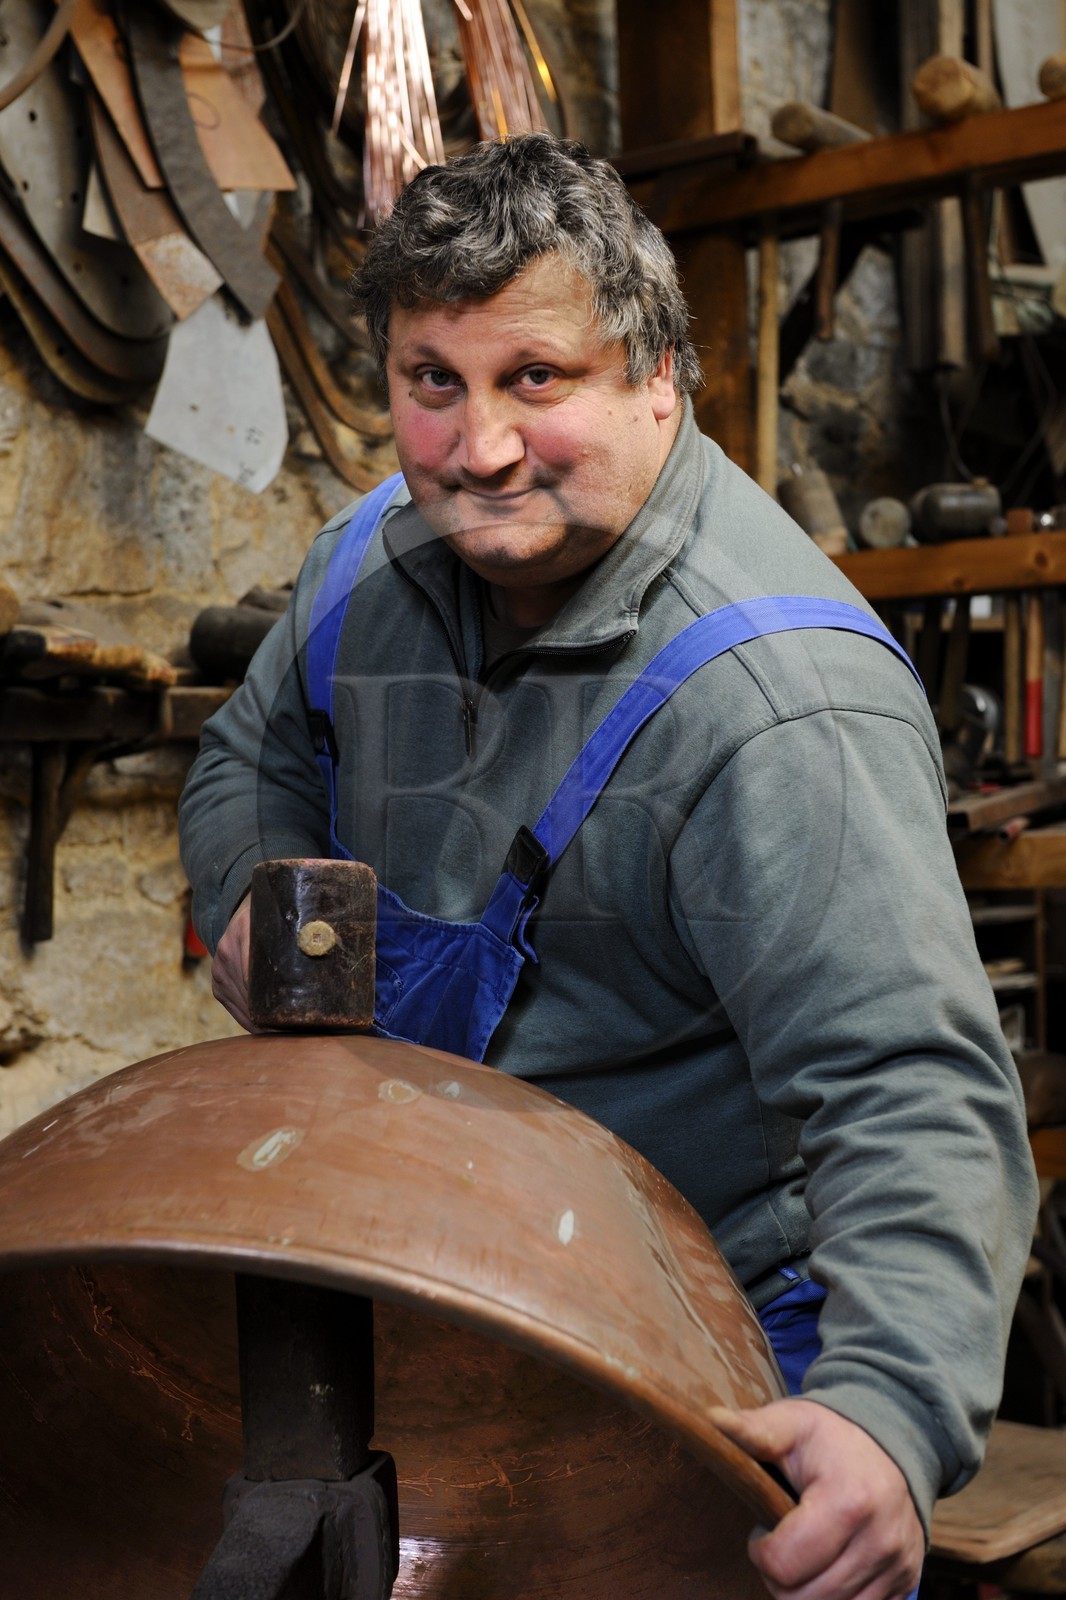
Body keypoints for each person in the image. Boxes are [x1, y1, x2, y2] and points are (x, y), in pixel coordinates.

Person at [180, 132, 1037, 1600]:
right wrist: (253, 902)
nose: (475, 449)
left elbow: (909, 1087)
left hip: (698, 1324)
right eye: (429, 384)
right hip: (433, 1273)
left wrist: (886, 1415)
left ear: (655, 377)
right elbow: (247, 760)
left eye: (536, 380)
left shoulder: (775, 707)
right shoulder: (368, 560)